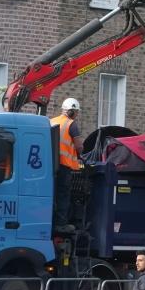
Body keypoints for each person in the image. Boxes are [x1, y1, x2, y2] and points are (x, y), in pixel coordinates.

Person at [50, 97, 83, 232]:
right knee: (63, 194)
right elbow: (79, 146)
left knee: (52, 193)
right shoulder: (71, 124)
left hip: (50, 166)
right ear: (72, 112)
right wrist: (81, 155)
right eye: (76, 112)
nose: (76, 115)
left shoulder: (51, 121)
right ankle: (61, 223)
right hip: (63, 166)